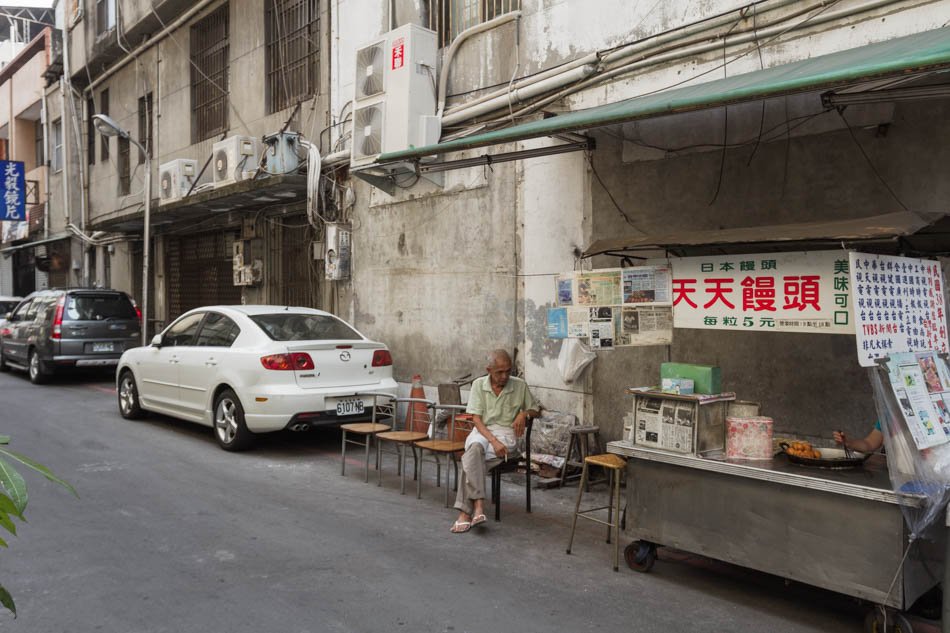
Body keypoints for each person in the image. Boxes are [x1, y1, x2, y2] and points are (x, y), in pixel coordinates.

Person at [450, 349, 539, 534]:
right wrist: (494, 442)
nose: (504, 376)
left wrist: (524, 413)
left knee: (470, 460)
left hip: (506, 433)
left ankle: (466, 513)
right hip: (482, 430)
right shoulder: (478, 385)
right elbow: (476, 419)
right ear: (488, 370)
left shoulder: (519, 386)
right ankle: (479, 507)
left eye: (508, 371)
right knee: (475, 449)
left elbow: (535, 409)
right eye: (499, 372)